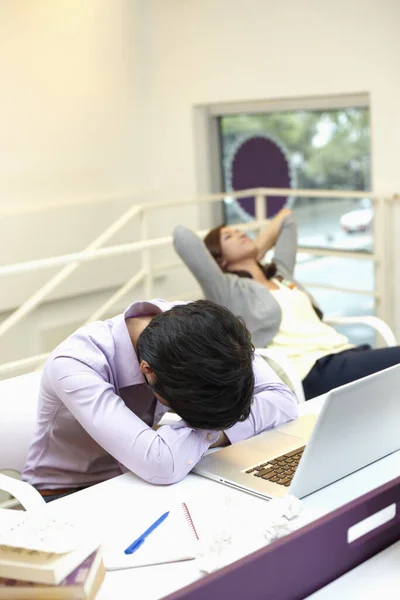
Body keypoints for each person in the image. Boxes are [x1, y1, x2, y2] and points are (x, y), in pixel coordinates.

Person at [22, 298, 297, 501]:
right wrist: (214, 431)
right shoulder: (75, 363)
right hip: (69, 493)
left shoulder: (204, 329)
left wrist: (206, 431)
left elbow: (283, 400)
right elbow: (161, 463)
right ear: (147, 371)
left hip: (148, 480)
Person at [173, 210, 400, 400]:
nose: (241, 234)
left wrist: (254, 254)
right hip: (308, 371)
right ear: (219, 259)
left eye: (240, 231)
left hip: (344, 355)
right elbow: (181, 237)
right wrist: (250, 256)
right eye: (229, 236)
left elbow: (287, 218)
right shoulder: (227, 289)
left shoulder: (281, 275)